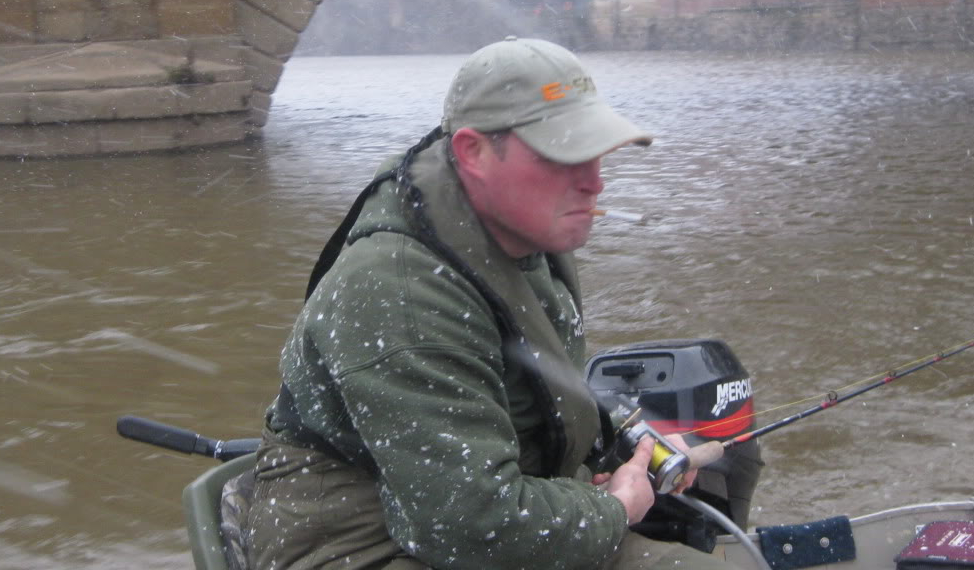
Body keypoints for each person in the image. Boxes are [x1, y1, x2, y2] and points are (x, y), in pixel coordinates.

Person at [245, 37, 734, 569]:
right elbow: (469, 527)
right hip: (356, 542)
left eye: (596, 153)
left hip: (480, 505)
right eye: (562, 155)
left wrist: (624, 449)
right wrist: (614, 507)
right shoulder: (400, 293)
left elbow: (539, 388)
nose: (594, 183)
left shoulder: (526, 228)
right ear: (473, 152)